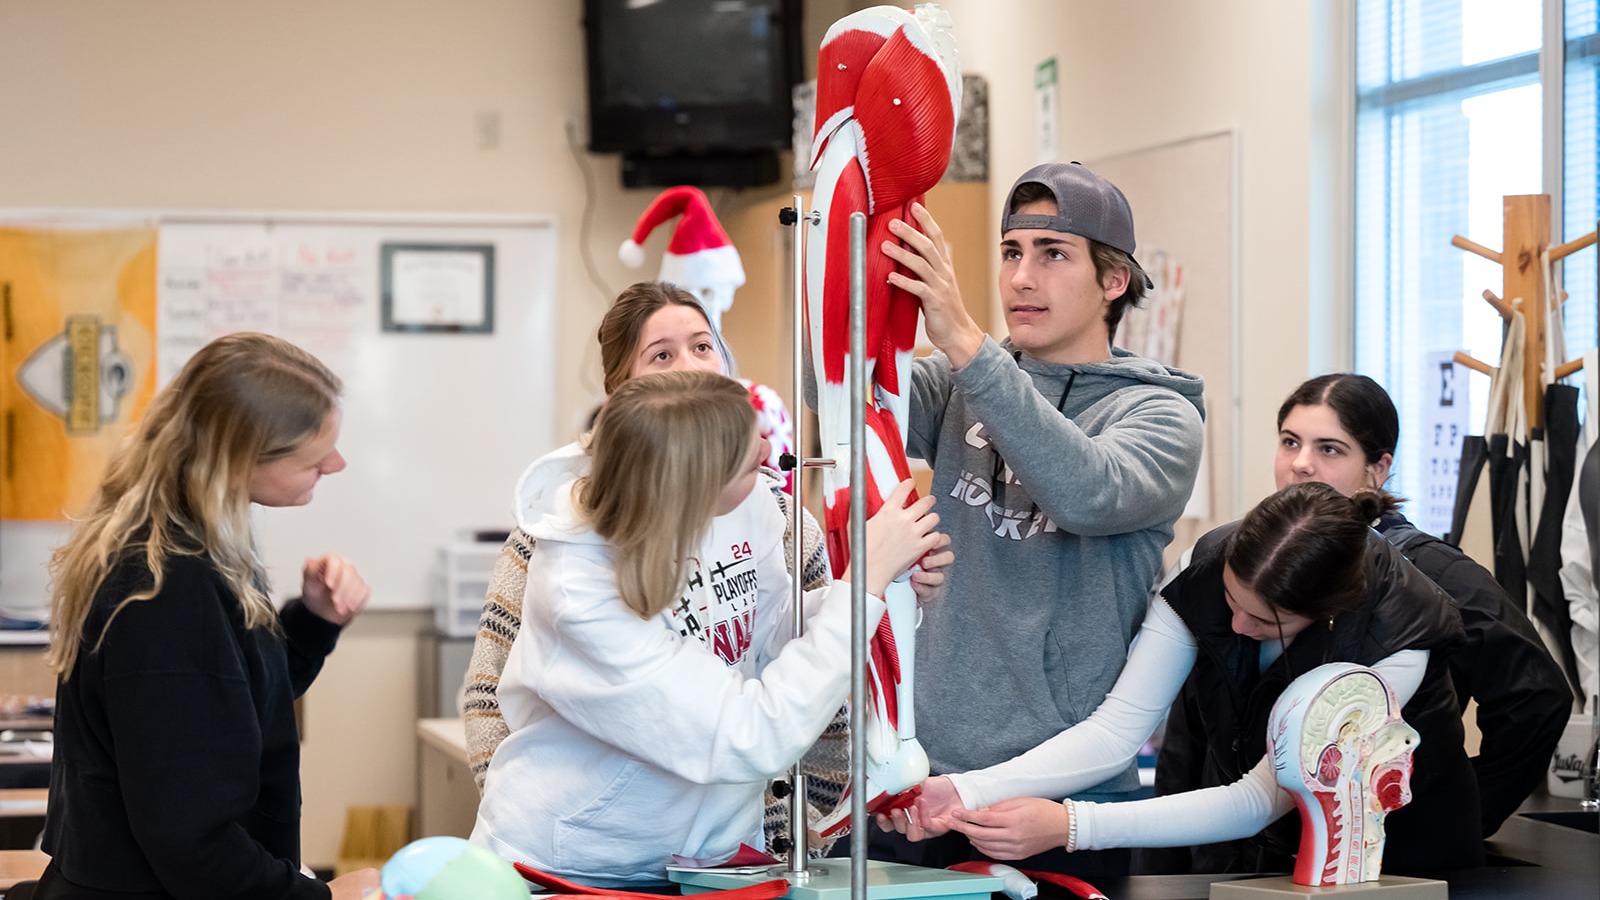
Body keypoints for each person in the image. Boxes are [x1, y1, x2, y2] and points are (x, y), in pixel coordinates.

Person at [460, 281, 951, 851]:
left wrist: (879, 587)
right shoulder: (578, 581)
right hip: (579, 861)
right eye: (662, 355)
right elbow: (750, 732)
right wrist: (861, 586)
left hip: (706, 850)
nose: (770, 459)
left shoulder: (754, 502)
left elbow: (773, 632)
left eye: (702, 347)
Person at [857, 162, 1205, 875]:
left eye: (1053, 255)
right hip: (920, 780)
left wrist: (966, 343)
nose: (1020, 278)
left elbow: (1087, 491)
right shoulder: (961, 381)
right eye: (1012, 252)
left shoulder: (1162, 415)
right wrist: (854, 261)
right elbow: (831, 386)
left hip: (1057, 803)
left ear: (1113, 281)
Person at [889, 482, 1484, 877]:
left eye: (1265, 620)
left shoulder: (1394, 644)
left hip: (1403, 851)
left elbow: (1258, 797)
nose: (1233, 624)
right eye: (1231, 600)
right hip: (1267, 853)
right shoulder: (1204, 571)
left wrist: (1072, 825)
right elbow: (1117, 730)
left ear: (1328, 613)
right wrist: (967, 789)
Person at [34, 333, 378, 900]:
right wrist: (324, 897)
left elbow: (228, 706)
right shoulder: (166, 589)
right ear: (241, 457)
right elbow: (190, 841)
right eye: (315, 458)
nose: (336, 465)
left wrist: (314, 618)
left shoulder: (195, 544)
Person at [1260, 374, 1567, 835]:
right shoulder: (1253, 561)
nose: (1300, 464)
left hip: (1389, 857)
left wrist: (1458, 813)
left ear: (1378, 468)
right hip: (1251, 846)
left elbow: (1536, 696)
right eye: (1290, 442)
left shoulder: (1430, 571)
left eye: (1329, 448)